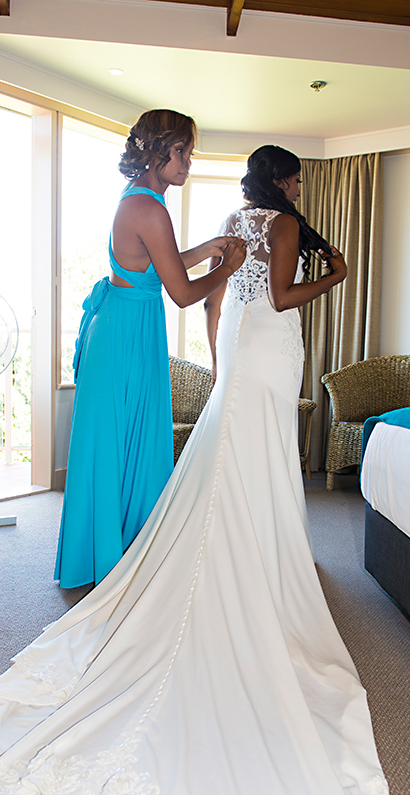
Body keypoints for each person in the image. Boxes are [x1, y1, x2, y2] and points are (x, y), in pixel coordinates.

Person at [0, 145, 389, 795]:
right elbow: (276, 298)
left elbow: (219, 301)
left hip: (241, 357)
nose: (302, 184)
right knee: (255, 463)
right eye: (298, 175)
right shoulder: (280, 224)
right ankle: (257, 559)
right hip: (271, 354)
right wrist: (333, 279)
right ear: (284, 177)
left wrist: (219, 362)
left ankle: (249, 549)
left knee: (224, 465)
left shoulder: (233, 216)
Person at [55, 109, 246, 589]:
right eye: (180, 152)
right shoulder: (150, 207)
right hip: (126, 335)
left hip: (125, 325)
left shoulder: (139, 200)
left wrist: (205, 249)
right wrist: (227, 267)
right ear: (156, 150)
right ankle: (116, 555)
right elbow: (181, 293)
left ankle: (111, 552)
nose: (186, 163)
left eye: (189, 153)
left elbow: (156, 265)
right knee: (123, 439)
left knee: (123, 439)